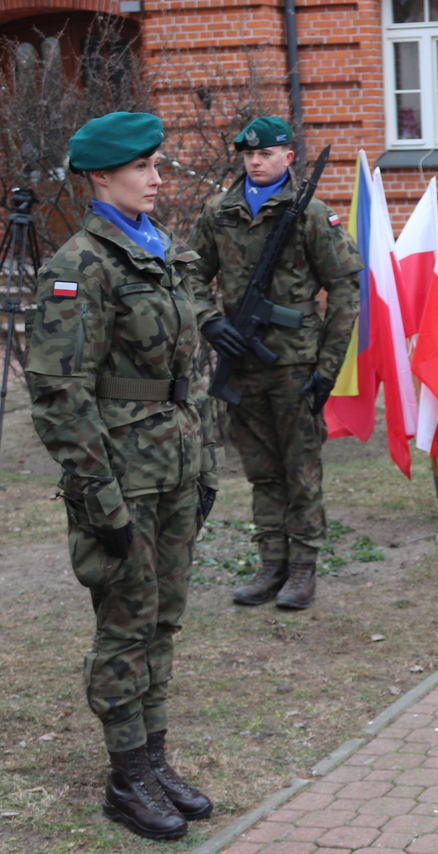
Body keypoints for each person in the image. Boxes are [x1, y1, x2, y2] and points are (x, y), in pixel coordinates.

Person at [24, 112, 217, 840]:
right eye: (144, 168)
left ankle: (155, 756)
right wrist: (97, 494)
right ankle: (125, 775)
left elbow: (180, 372)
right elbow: (60, 397)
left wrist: (200, 464)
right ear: (101, 175)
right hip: (121, 479)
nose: (158, 179)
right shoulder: (79, 267)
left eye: (157, 165)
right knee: (124, 624)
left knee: (164, 616)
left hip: (173, 465)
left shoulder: (160, 253)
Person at [189, 116, 361, 611]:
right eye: (248, 155)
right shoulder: (218, 212)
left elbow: (347, 286)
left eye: (265, 154)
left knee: (300, 468)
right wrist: (209, 321)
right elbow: (190, 276)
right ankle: (271, 563)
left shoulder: (311, 215)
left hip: (295, 364)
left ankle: (303, 568)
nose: (255, 162)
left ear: (288, 158)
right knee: (262, 471)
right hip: (241, 363)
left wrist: (328, 366)